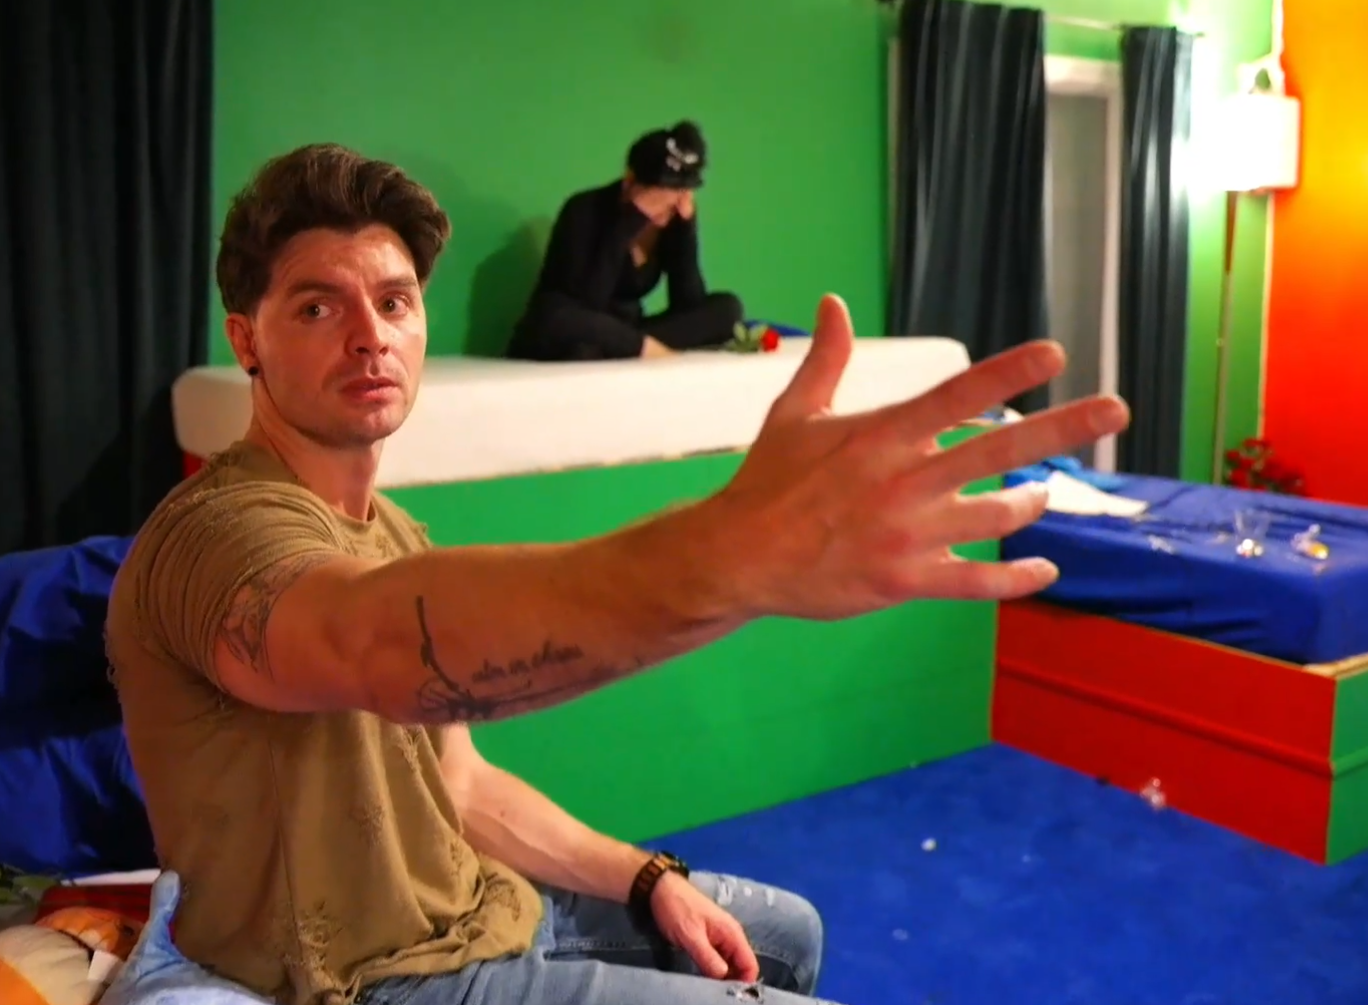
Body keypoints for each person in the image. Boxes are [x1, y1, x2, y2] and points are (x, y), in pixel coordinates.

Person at [103, 142, 1128, 1005]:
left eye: (394, 301)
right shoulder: (216, 533)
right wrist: (737, 548)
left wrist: (645, 877)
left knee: (785, 933)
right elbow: (371, 644)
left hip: (478, 907)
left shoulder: (394, 530)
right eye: (318, 309)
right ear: (247, 338)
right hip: (374, 977)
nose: (371, 335)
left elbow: (459, 784)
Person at [507, 121, 744, 361]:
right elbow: (587, 303)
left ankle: (631, 347)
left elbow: (688, 305)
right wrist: (631, 221)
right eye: (659, 192)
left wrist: (686, 228)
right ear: (630, 180)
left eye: (679, 192)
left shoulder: (674, 217)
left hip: (624, 332)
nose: (667, 203)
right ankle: (635, 347)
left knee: (727, 309)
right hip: (574, 327)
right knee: (563, 323)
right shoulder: (583, 210)